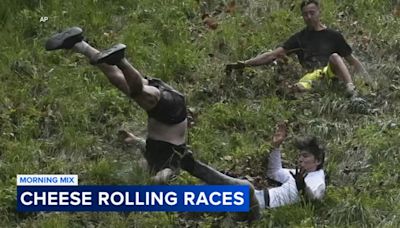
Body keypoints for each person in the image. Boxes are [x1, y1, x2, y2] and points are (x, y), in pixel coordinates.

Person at [45, 27, 189, 183]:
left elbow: (153, 147)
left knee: (118, 79)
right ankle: (121, 60)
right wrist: (153, 182)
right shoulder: (171, 165)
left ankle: (78, 44)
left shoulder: (153, 155)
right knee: (137, 92)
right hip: (171, 113)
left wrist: (134, 140)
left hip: (167, 106)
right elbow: (164, 177)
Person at [178, 123, 326, 221]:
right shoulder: (298, 174)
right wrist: (276, 146)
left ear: (317, 161)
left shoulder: (317, 179)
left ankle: (194, 167)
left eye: (305, 156)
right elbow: (274, 172)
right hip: (258, 198)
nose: (300, 159)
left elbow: (316, 199)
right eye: (300, 155)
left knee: (245, 188)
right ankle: (184, 215)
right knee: (207, 190)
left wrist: (303, 187)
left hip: (261, 210)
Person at [226, 0, 366, 97]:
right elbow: (273, 55)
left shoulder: (333, 36)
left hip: (331, 73)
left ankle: (350, 90)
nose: (309, 17)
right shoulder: (299, 38)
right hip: (312, 77)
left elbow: (352, 61)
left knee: (335, 57)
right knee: (295, 89)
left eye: (312, 13)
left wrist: (368, 81)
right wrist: (245, 64)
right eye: (305, 14)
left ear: (319, 12)